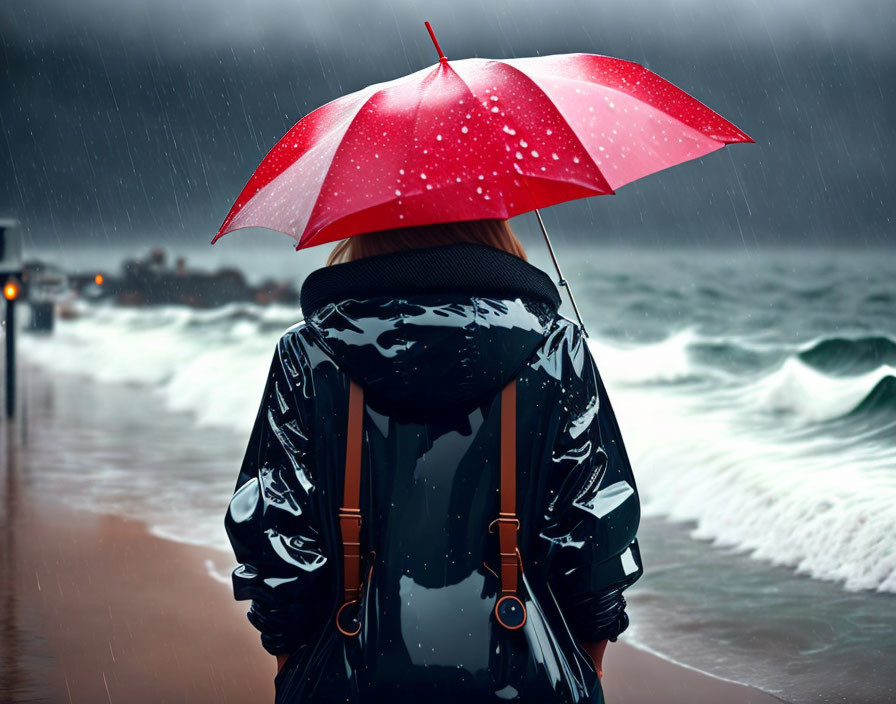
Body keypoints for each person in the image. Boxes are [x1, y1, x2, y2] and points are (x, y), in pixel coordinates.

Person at [224, 219, 643, 703]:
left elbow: (280, 539)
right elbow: (594, 536)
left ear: (363, 220)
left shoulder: (306, 353)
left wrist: (294, 669)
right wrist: (584, 671)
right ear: (492, 219)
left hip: (345, 685)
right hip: (531, 681)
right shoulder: (556, 350)